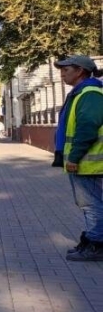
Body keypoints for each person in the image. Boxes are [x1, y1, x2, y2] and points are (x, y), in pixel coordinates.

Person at [52, 55, 103, 262]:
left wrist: (73, 157)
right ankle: (92, 240)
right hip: (85, 161)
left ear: (80, 70)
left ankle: (96, 245)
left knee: (91, 204)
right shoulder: (82, 93)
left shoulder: (89, 94)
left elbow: (87, 128)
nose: (62, 74)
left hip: (88, 162)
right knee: (90, 203)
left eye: (66, 70)